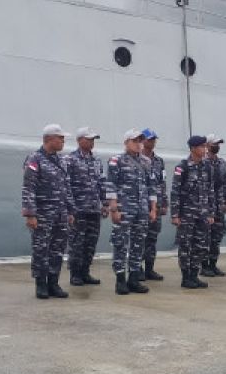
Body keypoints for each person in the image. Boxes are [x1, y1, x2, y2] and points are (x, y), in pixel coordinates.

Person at [22, 124, 72, 299]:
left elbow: (67, 187)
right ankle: (41, 284)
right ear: (49, 139)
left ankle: (53, 282)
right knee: (41, 249)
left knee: (58, 249)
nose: (63, 141)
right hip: (42, 213)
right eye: (60, 138)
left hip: (60, 213)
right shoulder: (34, 159)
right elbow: (29, 188)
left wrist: (70, 210)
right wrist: (30, 214)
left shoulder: (62, 161)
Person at [108, 129, 157, 295]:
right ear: (126, 142)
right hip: (124, 209)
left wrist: (153, 208)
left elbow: (151, 186)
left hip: (142, 210)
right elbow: (111, 185)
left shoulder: (146, 162)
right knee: (120, 243)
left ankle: (134, 278)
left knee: (138, 244)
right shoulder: (117, 161)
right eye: (135, 141)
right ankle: (120, 279)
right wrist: (113, 208)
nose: (138, 144)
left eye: (140, 141)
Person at [66, 127, 108, 286]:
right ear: (79, 140)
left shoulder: (96, 160)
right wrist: (71, 208)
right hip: (79, 210)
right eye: (89, 139)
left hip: (94, 209)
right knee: (77, 242)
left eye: (93, 140)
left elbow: (102, 183)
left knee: (91, 243)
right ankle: (75, 274)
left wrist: (104, 203)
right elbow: (67, 185)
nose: (92, 142)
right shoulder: (70, 160)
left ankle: (85, 272)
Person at [171, 135, 214, 289]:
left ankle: (194, 275)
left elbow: (210, 191)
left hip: (202, 214)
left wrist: (210, 213)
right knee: (185, 246)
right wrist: (175, 214)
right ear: (193, 148)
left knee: (201, 246)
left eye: (205, 146)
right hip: (186, 214)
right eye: (202, 146)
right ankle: (186, 277)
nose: (205, 149)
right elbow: (175, 191)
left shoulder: (207, 167)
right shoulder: (182, 167)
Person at [140, 128, 166, 281]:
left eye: (154, 139)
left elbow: (162, 183)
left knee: (152, 238)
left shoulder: (159, 161)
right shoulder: (138, 159)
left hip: (156, 206)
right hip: (141, 205)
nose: (152, 142)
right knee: (139, 238)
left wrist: (164, 203)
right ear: (142, 140)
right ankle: (138, 268)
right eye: (150, 139)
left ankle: (149, 269)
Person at [202, 134, 226, 277]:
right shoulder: (202, 162)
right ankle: (204, 266)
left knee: (217, 236)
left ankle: (213, 264)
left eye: (218, 144)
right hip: (206, 205)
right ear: (207, 145)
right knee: (205, 237)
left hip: (219, 205)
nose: (217, 146)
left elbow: (225, 182)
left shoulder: (221, 163)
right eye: (214, 144)